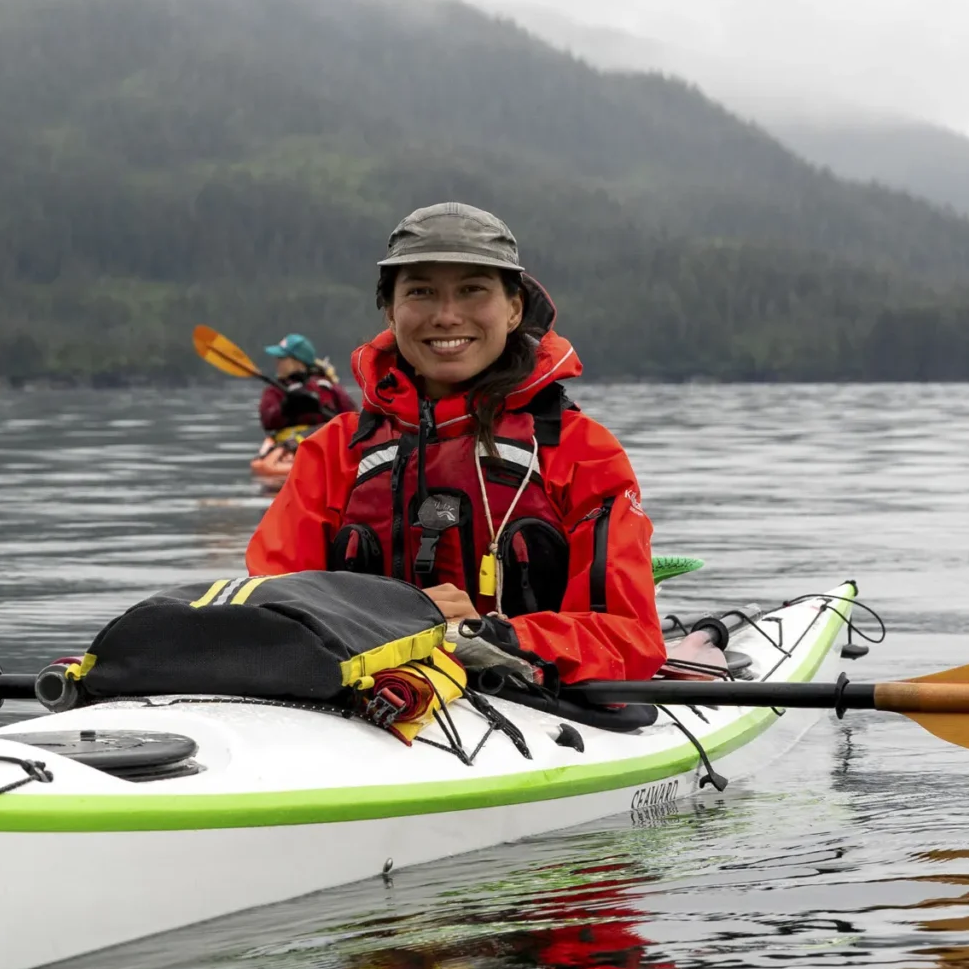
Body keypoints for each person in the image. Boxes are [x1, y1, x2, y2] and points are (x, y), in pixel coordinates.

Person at [246, 203, 664, 686]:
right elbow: (270, 609)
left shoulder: (583, 451)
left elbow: (629, 637)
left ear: (513, 309)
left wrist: (488, 636)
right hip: (362, 699)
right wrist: (388, 620)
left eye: (472, 290)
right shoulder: (333, 450)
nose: (446, 316)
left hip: (533, 704)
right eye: (421, 292)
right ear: (390, 310)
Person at [257, 333, 357, 440]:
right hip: (288, 445)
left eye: (282, 358)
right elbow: (267, 421)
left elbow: (354, 418)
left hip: (325, 443)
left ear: (298, 361)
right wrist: (286, 408)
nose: (277, 362)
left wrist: (321, 410)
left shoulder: (327, 386)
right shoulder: (275, 390)